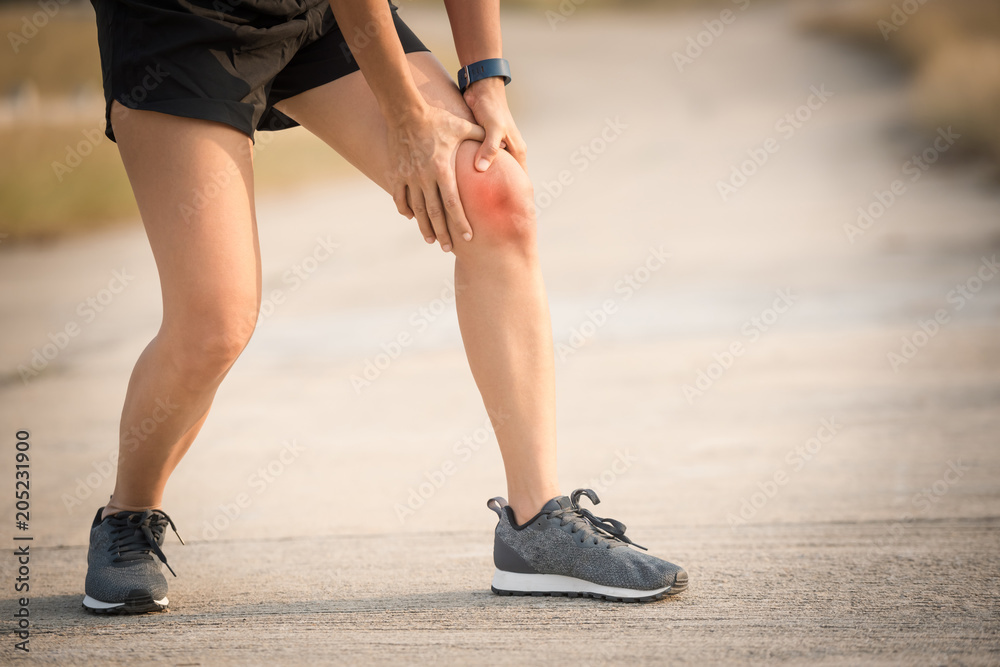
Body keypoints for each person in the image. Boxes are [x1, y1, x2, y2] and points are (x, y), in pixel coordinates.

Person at [82, 0, 687, 613]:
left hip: (315, 13)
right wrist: (406, 117)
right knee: (216, 324)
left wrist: (486, 78)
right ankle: (127, 515)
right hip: (183, 23)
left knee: (493, 194)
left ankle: (537, 528)